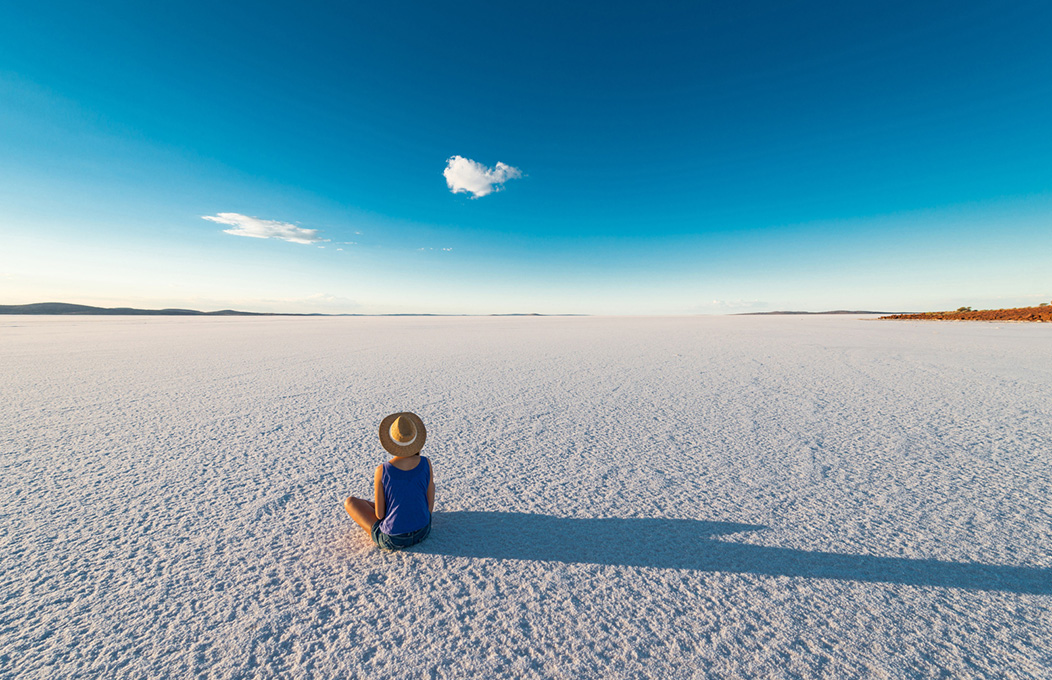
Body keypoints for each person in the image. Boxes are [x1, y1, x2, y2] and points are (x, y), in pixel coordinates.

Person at [344, 411, 435, 550]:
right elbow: (429, 504)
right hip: (423, 530)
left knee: (350, 502)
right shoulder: (426, 463)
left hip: (394, 539)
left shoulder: (382, 470)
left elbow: (380, 515)